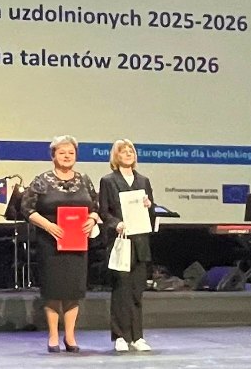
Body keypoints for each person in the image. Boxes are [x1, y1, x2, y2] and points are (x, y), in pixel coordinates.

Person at [21, 135, 99, 353]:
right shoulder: (42, 180)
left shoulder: (84, 180)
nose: (67, 156)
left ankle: (70, 337)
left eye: (71, 153)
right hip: (50, 243)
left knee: (73, 291)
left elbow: (97, 206)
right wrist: (48, 226)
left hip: (77, 243)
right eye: (62, 152)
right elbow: (27, 209)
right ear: (53, 156)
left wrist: (92, 219)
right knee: (53, 291)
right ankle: (53, 336)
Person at [97, 138, 155, 352]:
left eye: (131, 150)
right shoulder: (108, 181)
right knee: (121, 290)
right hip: (120, 241)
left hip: (140, 242)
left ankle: (137, 336)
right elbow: (104, 212)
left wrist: (149, 205)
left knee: (137, 290)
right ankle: (120, 336)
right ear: (116, 156)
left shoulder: (143, 181)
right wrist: (116, 224)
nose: (128, 154)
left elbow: (150, 214)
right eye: (123, 151)